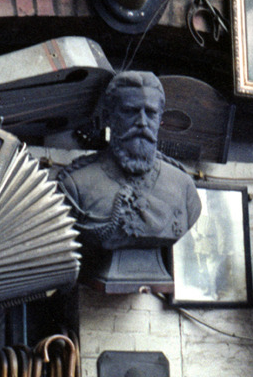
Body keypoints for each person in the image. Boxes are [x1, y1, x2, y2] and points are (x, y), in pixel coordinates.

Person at [57, 71, 202, 251]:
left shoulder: (184, 187)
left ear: (160, 120)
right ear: (108, 117)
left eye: (150, 113)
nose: (142, 122)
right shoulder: (74, 186)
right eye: (130, 111)